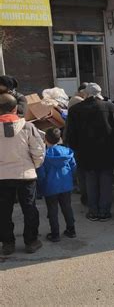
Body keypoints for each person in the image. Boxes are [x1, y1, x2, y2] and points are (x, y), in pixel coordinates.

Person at [66, 83, 114, 222]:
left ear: (85, 94)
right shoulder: (110, 107)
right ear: (100, 93)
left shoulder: (75, 110)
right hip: (107, 151)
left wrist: (74, 148)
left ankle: (93, 211)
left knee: (90, 180)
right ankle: (105, 212)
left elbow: (70, 135)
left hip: (86, 152)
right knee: (106, 181)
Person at [0, 94, 45, 255]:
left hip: (2, 178)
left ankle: (7, 244)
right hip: (25, 175)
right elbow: (38, 151)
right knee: (30, 208)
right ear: (15, 108)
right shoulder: (27, 127)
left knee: (3, 212)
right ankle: (31, 242)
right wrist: (35, 166)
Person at [36, 128, 76, 242]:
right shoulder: (67, 152)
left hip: (50, 187)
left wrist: (40, 186)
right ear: (60, 138)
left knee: (52, 210)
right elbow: (73, 167)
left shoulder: (44, 155)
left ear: (45, 139)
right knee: (67, 207)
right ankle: (71, 229)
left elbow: (41, 174)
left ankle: (55, 234)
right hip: (65, 185)